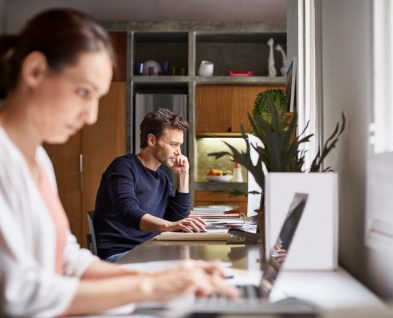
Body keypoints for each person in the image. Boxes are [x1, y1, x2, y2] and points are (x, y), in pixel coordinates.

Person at [0, 8, 238, 317]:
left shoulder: (37, 159)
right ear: (35, 71)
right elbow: (18, 294)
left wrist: (161, 277)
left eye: (97, 97)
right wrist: (149, 287)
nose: (92, 116)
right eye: (83, 92)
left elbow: (70, 259)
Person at [93, 108, 205, 262]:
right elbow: (127, 211)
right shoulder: (123, 167)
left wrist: (183, 176)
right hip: (120, 254)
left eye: (180, 145)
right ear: (152, 140)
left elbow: (176, 219)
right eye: (173, 144)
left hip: (151, 250)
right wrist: (170, 225)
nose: (178, 152)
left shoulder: (162, 178)